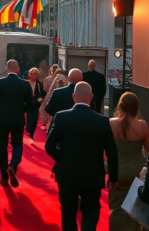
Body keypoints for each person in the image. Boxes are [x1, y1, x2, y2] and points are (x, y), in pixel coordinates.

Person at [45, 82, 118, 231]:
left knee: (68, 212)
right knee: (91, 209)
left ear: (73, 97)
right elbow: (111, 152)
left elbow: (49, 146)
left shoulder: (61, 117)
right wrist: (113, 176)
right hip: (92, 175)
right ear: (91, 97)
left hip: (66, 173)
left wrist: (62, 158)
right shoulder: (103, 121)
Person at [107, 92, 149, 231]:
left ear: (120, 106)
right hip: (136, 171)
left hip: (116, 171)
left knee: (115, 207)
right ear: (136, 108)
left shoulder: (110, 123)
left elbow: (105, 150)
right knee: (135, 208)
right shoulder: (142, 126)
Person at [0, 59, 33, 188]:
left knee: (2, 147)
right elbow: (30, 103)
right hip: (17, 119)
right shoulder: (25, 84)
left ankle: (4, 177)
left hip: (2, 119)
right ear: (17, 69)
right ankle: (13, 166)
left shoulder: (0, 82)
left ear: (7, 69)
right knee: (17, 144)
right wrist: (22, 110)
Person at [25, 67, 42, 145]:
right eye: (32, 74)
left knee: (35, 120)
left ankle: (31, 134)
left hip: (36, 105)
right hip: (28, 104)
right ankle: (28, 131)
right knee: (29, 119)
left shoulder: (39, 84)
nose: (33, 75)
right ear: (29, 74)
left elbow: (43, 94)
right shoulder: (26, 83)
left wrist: (41, 98)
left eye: (35, 74)